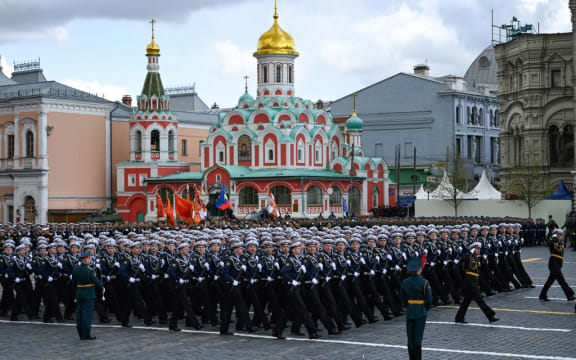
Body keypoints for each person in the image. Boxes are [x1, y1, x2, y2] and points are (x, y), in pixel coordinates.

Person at [455, 242, 499, 324]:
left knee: (466, 301)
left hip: (474, 279)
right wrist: (470, 255)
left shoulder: (476, 257)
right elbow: (466, 267)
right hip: (469, 280)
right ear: (472, 249)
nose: (479, 250)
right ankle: (491, 315)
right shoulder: (468, 256)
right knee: (479, 299)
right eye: (477, 249)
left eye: (479, 249)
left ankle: (459, 317)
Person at [400, 256, 432, 360]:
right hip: (421, 311)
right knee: (418, 338)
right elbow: (429, 300)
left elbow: (402, 298)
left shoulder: (405, 282)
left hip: (410, 311)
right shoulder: (424, 282)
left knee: (410, 338)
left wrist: (408, 305)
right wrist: (426, 307)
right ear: (420, 269)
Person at [72, 251, 103, 340]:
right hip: (88, 294)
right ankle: (86, 334)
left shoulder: (75, 269)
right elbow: (97, 282)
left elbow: (73, 284)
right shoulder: (89, 271)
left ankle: (81, 334)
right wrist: (102, 288)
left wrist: (75, 295)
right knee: (87, 315)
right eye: (89, 259)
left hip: (79, 293)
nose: (90, 260)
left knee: (80, 315)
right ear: (85, 260)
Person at [539, 230, 575, 301]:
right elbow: (549, 244)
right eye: (558, 235)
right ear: (554, 235)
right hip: (553, 262)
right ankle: (570, 294)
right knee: (561, 280)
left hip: (559, 262)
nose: (559, 236)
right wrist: (553, 238)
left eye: (560, 235)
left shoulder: (560, 242)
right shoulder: (553, 242)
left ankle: (542, 295)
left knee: (550, 281)